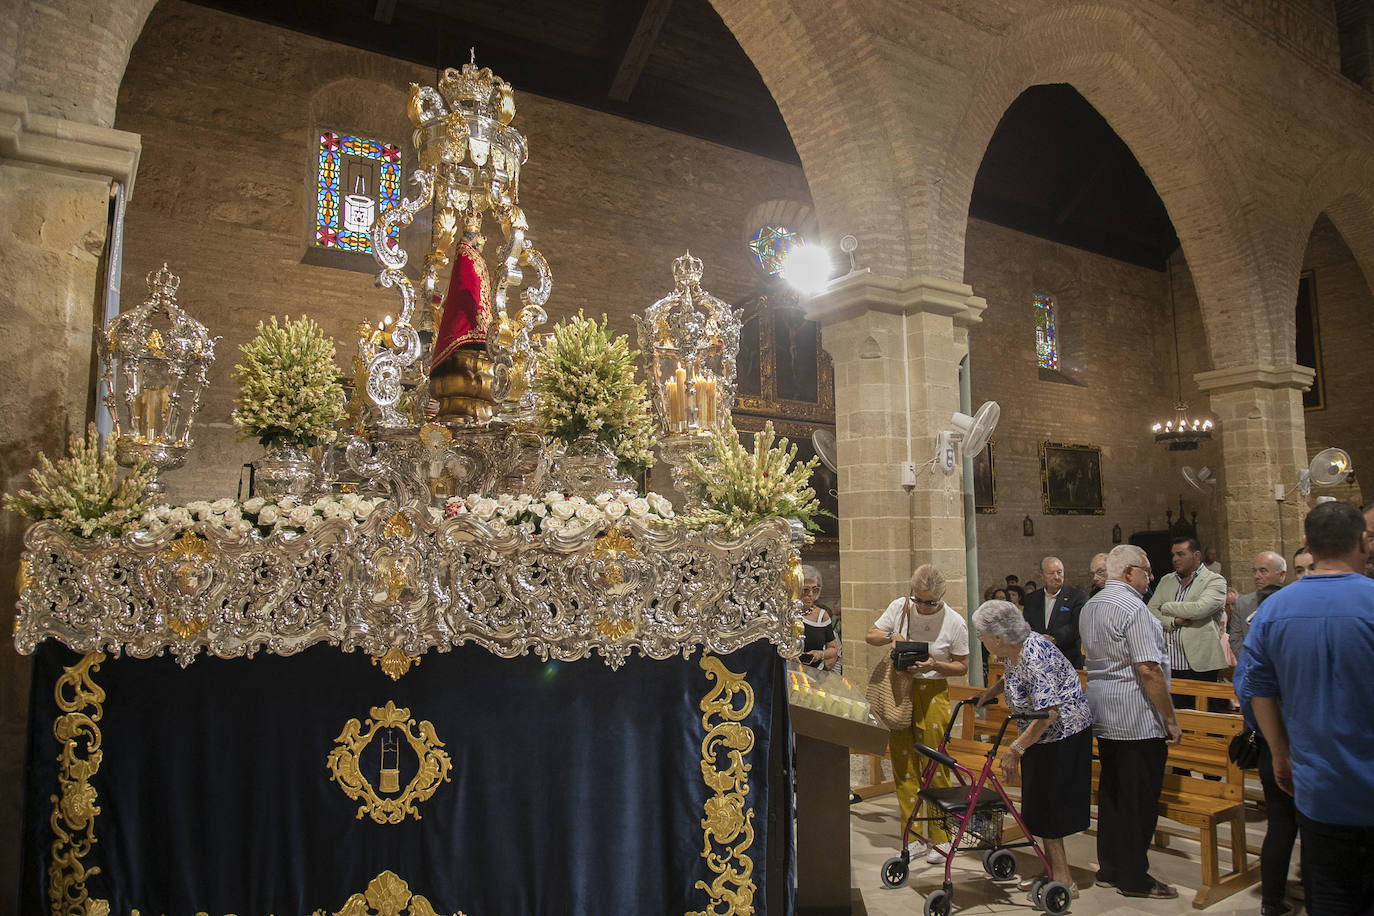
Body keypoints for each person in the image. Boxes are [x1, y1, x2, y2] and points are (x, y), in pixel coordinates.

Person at [1243, 501, 1374, 916]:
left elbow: (1255, 689)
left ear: (1307, 545)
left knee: (1329, 896)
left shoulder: (1274, 610)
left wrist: (1280, 754)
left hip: (1316, 784)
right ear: (1363, 542)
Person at [1080, 544, 1182, 900]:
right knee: (1139, 800)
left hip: (1104, 712)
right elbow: (1148, 669)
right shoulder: (1133, 608)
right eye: (1147, 571)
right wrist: (1169, 718)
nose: (1150, 578)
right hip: (1136, 716)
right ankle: (1135, 878)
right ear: (1128, 573)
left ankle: (1110, 867)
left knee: (1112, 794)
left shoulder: (1091, 605)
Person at [973, 600, 1092, 897]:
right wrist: (992, 690)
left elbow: (1049, 712)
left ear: (998, 638)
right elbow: (1015, 675)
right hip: (1039, 737)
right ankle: (1050, 868)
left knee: (1051, 806)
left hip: (1062, 736)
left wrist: (1015, 749)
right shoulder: (1015, 649)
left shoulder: (1035, 653)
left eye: (982, 635)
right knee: (1038, 804)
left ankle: (1064, 880)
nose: (981, 641)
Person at [867, 564, 970, 864]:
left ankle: (940, 836)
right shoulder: (901, 607)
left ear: (941, 596)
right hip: (901, 690)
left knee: (935, 764)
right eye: (919, 600)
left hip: (933, 691)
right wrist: (891, 637)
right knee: (904, 764)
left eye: (930, 602)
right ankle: (914, 838)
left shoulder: (954, 621)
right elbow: (870, 635)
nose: (923, 607)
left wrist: (934, 664)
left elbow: (962, 666)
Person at [1233, 585, 1297, 916]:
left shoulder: (1253, 645)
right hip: (1287, 743)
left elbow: (1245, 691)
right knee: (1298, 823)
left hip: (1267, 742)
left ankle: (1272, 898)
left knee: (1281, 823)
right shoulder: (1279, 645)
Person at [1147, 536, 1228, 709]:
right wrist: (1174, 621)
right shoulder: (1166, 580)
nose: (1175, 559)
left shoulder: (1214, 581)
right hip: (1170, 664)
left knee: (1205, 720)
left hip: (1200, 666)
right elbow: (1150, 611)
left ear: (1196, 555)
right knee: (1177, 719)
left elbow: (1199, 609)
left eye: (1181, 554)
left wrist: (1166, 607)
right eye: (1173, 555)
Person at [1021, 556, 1088, 667]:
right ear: (1042, 575)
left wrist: (1053, 639)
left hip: (1067, 659)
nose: (1056, 577)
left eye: (1059, 572)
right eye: (1051, 573)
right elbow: (1026, 625)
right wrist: (1039, 640)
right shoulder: (1031, 599)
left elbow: (1076, 625)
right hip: (1039, 660)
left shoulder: (1076, 596)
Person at [1228, 550, 1286, 662]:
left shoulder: (1292, 602)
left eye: (1263, 571)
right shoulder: (1242, 604)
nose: (1257, 576)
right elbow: (1235, 639)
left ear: (1282, 575)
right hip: (1251, 667)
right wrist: (1251, 663)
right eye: (1254, 571)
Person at [798, 565, 839, 671]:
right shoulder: (786, 613)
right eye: (806, 590)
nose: (811, 594)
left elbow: (833, 649)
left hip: (814, 673)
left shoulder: (822, 616)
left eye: (815, 590)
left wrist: (820, 654)